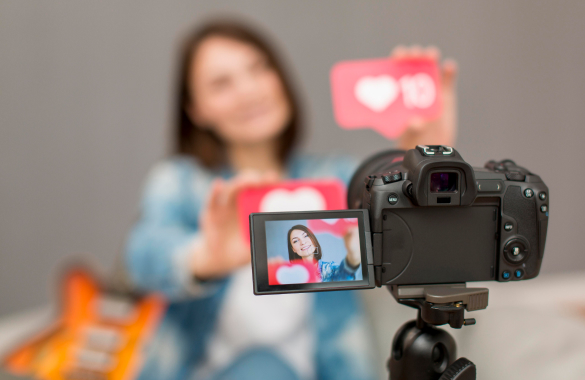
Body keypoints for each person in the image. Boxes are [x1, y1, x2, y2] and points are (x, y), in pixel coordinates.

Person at [125, 18, 457, 380]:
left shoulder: (338, 177)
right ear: (195, 109)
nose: (250, 90)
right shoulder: (181, 182)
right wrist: (202, 258)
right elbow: (142, 256)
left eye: (259, 68)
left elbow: (415, 238)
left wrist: (425, 158)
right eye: (222, 83)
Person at [288, 225, 361, 282]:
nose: (303, 242)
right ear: (293, 249)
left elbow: (344, 274)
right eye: (296, 241)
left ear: (313, 239)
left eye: (306, 236)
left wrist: (353, 253)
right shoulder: (291, 276)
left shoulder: (329, 269)